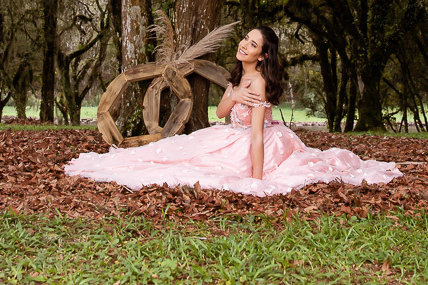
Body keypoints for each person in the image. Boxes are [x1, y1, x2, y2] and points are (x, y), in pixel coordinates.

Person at [64, 26, 402, 196]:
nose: (244, 44)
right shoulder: (240, 77)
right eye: (245, 39)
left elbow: (255, 135)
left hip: (256, 141)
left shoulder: (260, 84)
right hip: (229, 133)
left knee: (200, 166)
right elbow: (221, 112)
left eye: (253, 44)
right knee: (176, 152)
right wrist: (235, 91)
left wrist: (257, 180)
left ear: (263, 55)